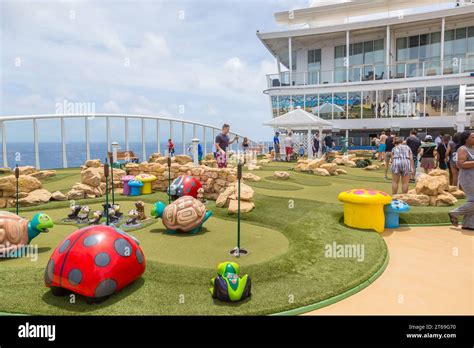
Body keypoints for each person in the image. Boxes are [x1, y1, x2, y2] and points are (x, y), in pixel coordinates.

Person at [449, 131, 474, 230]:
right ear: (466, 139)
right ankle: (454, 213)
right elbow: (461, 164)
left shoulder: (472, 149)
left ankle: (468, 224)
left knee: (472, 201)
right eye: (472, 137)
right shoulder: (462, 149)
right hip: (467, 179)